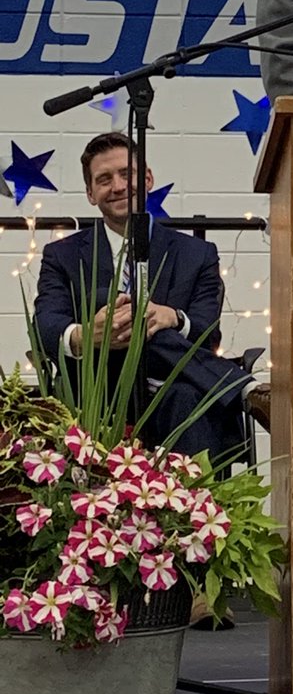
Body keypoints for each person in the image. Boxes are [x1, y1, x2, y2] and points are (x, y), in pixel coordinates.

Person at [34, 132, 269, 463]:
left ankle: (195, 511)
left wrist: (172, 318)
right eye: (104, 180)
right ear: (90, 194)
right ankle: (241, 387)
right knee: (104, 298)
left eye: (126, 174)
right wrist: (90, 335)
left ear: (147, 179)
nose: (117, 186)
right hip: (99, 391)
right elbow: (45, 326)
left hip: (169, 389)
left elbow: (207, 331)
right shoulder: (62, 255)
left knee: (189, 399)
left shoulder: (197, 253)